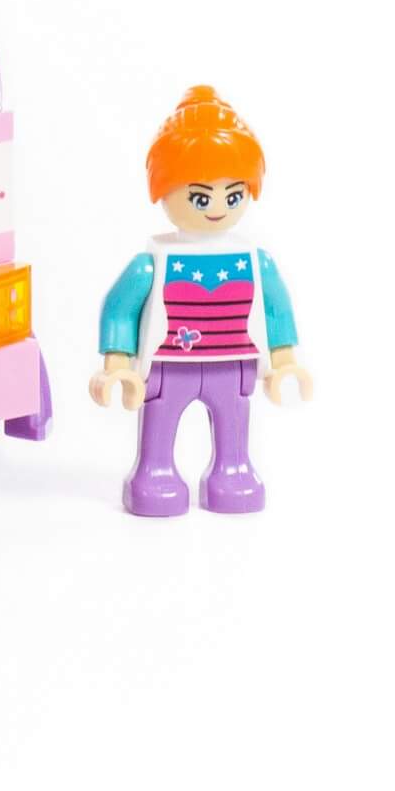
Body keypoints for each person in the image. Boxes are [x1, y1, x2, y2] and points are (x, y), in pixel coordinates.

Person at [89, 86, 312, 515]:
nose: (217, 208)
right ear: (163, 190)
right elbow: (120, 308)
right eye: (199, 196)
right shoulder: (152, 264)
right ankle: (154, 472)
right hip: (168, 366)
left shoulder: (255, 262)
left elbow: (276, 310)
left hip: (234, 363)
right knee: (161, 420)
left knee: (234, 423)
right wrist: (116, 366)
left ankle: (233, 470)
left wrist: (283, 360)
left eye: (233, 195)